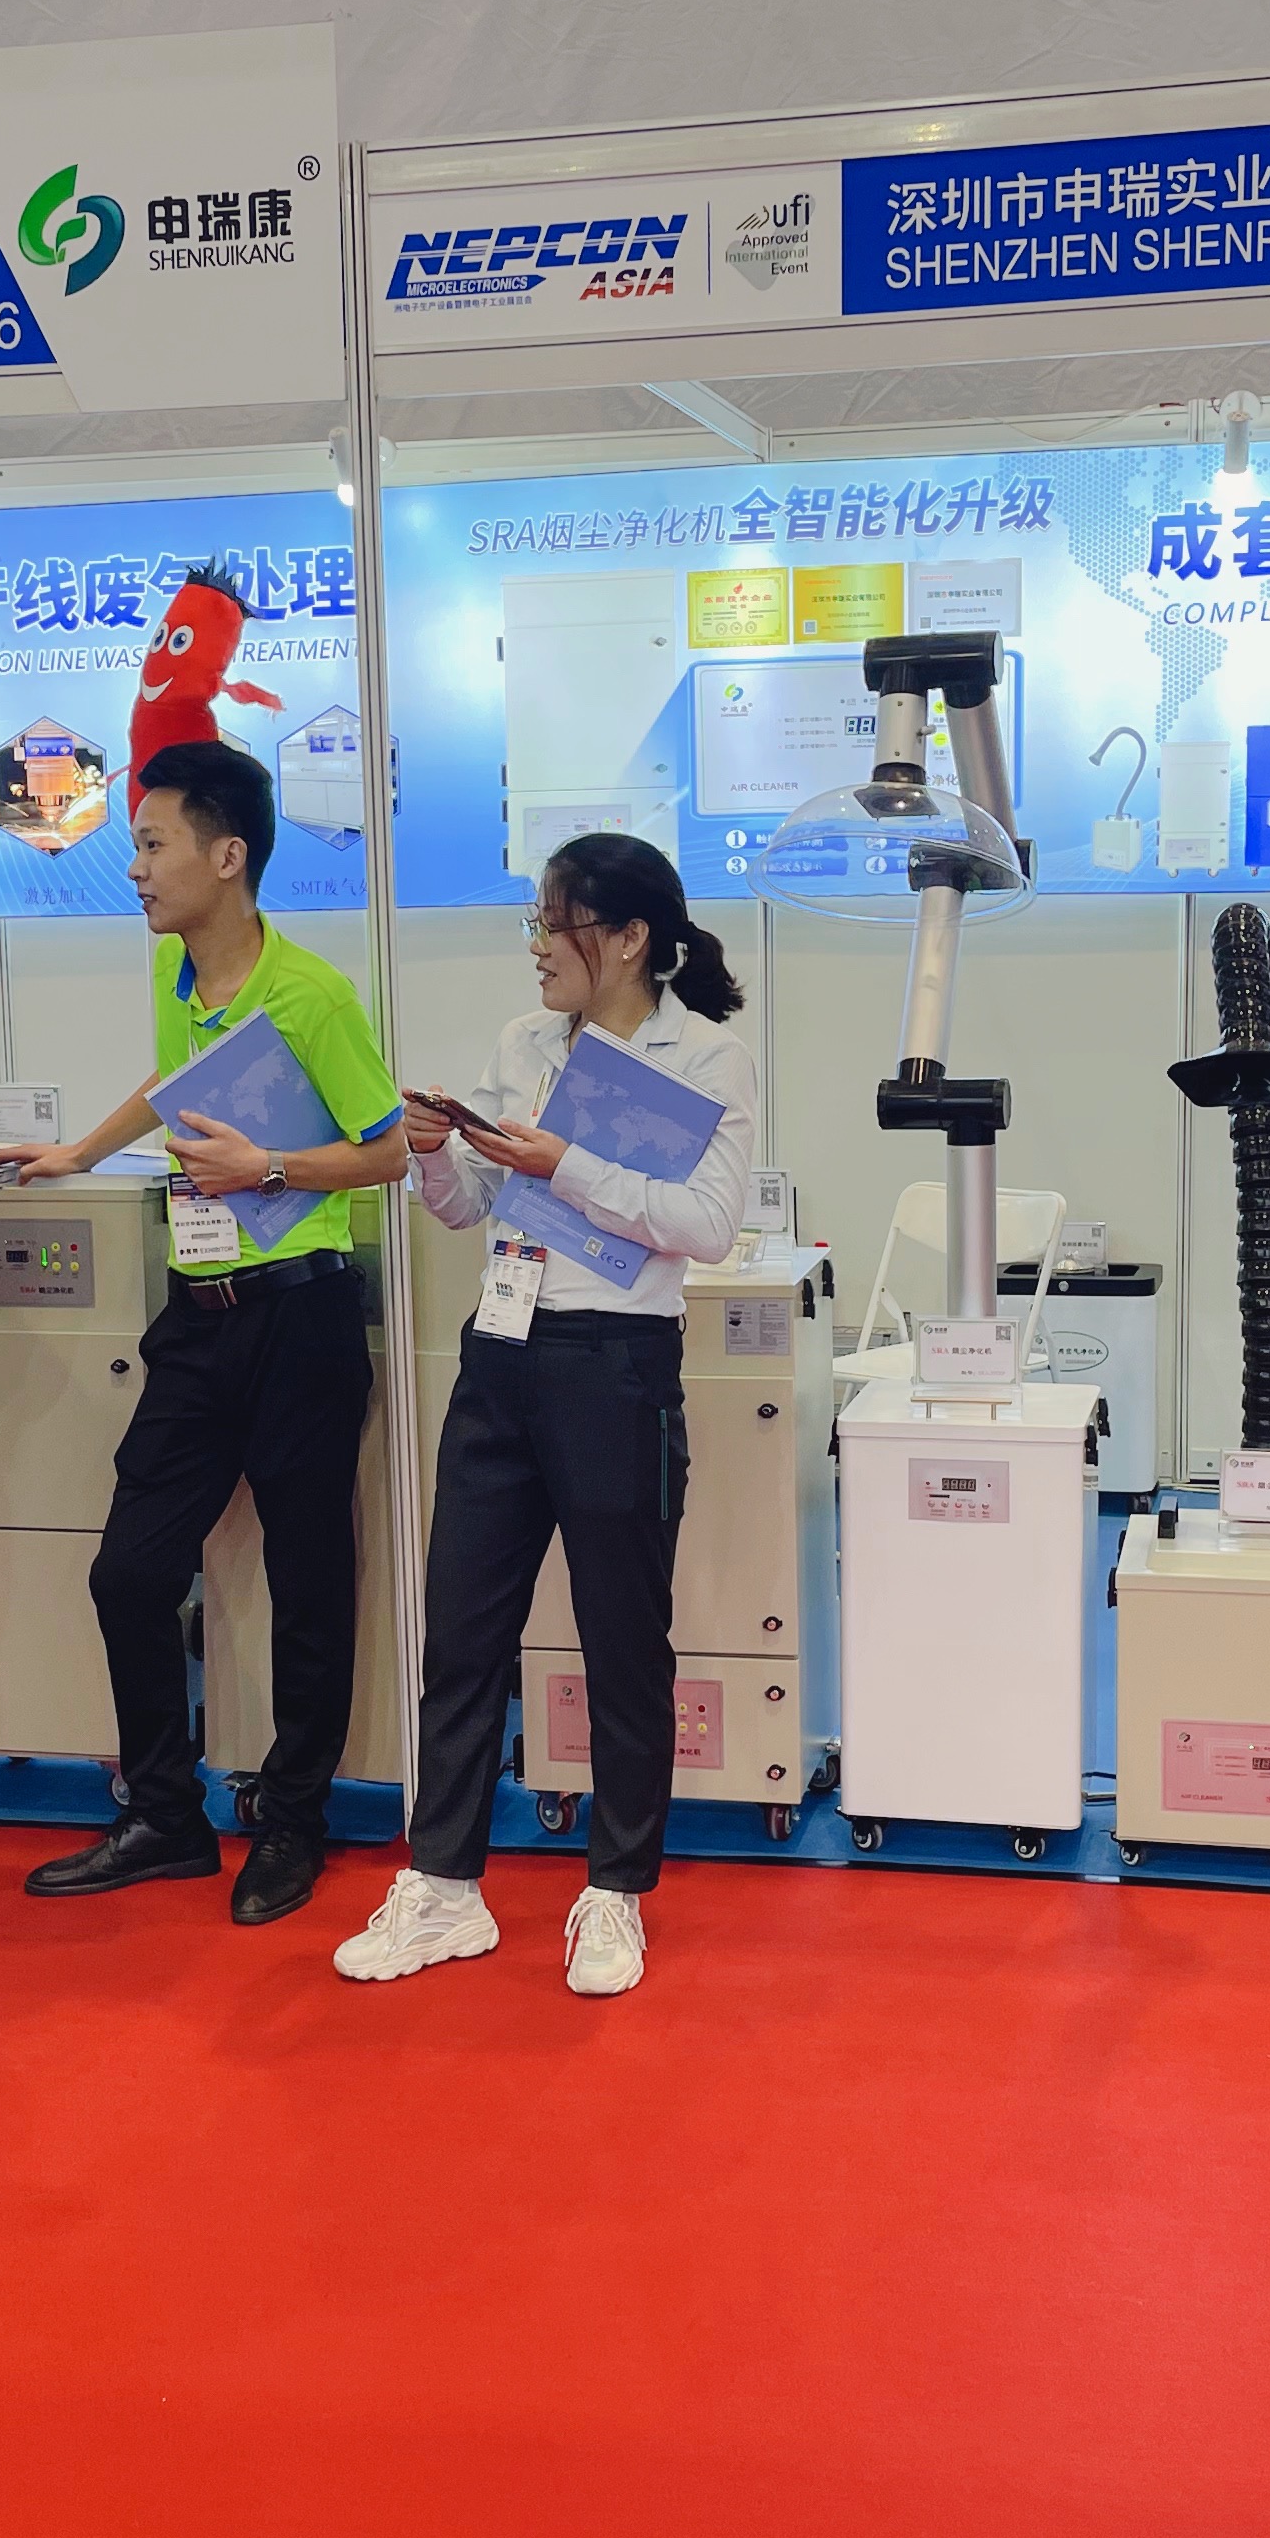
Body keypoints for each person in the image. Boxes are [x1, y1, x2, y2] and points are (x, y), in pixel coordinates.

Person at [0, 739, 408, 1925]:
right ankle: (165, 1817)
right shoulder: (180, 974)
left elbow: (386, 1150)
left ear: (228, 858)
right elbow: (175, 1082)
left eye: (153, 843)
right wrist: (82, 1149)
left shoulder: (312, 994)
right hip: (198, 1315)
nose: (135, 868)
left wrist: (268, 1166)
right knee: (129, 1572)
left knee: (308, 1584)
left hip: (301, 1317)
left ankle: (293, 1820)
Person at [333, 836, 755, 2000]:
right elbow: (470, 1206)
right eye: (533, 922)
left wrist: (567, 1162)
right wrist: (432, 1156)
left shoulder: (705, 1057)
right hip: (500, 1351)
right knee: (462, 1630)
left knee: (623, 1640)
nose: (535, 946)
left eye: (552, 924)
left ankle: (615, 1890)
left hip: (617, 1363)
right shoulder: (525, 1043)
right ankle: (443, 1886)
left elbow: (707, 1226)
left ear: (626, 938)